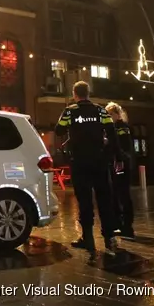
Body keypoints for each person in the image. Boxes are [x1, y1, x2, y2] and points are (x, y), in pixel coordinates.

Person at [55, 82, 121, 254]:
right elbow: (112, 131)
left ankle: (88, 239)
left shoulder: (70, 111)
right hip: (99, 161)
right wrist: (112, 154)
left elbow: (58, 130)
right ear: (89, 93)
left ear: (75, 94)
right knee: (104, 199)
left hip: (79, 162)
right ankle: (109, 238)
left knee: (84, 201)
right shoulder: (100, 111)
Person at [106, 102, 135, 239]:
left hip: (121, 164)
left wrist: (121, 160)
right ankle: (117, 224)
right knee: (114, 195)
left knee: (123, 195)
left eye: (111, 114)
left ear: (117, 115)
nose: (109, 117)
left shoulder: (122, 127)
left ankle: (127, 227)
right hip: (114, 163)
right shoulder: (111, 128)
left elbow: (123, 146)